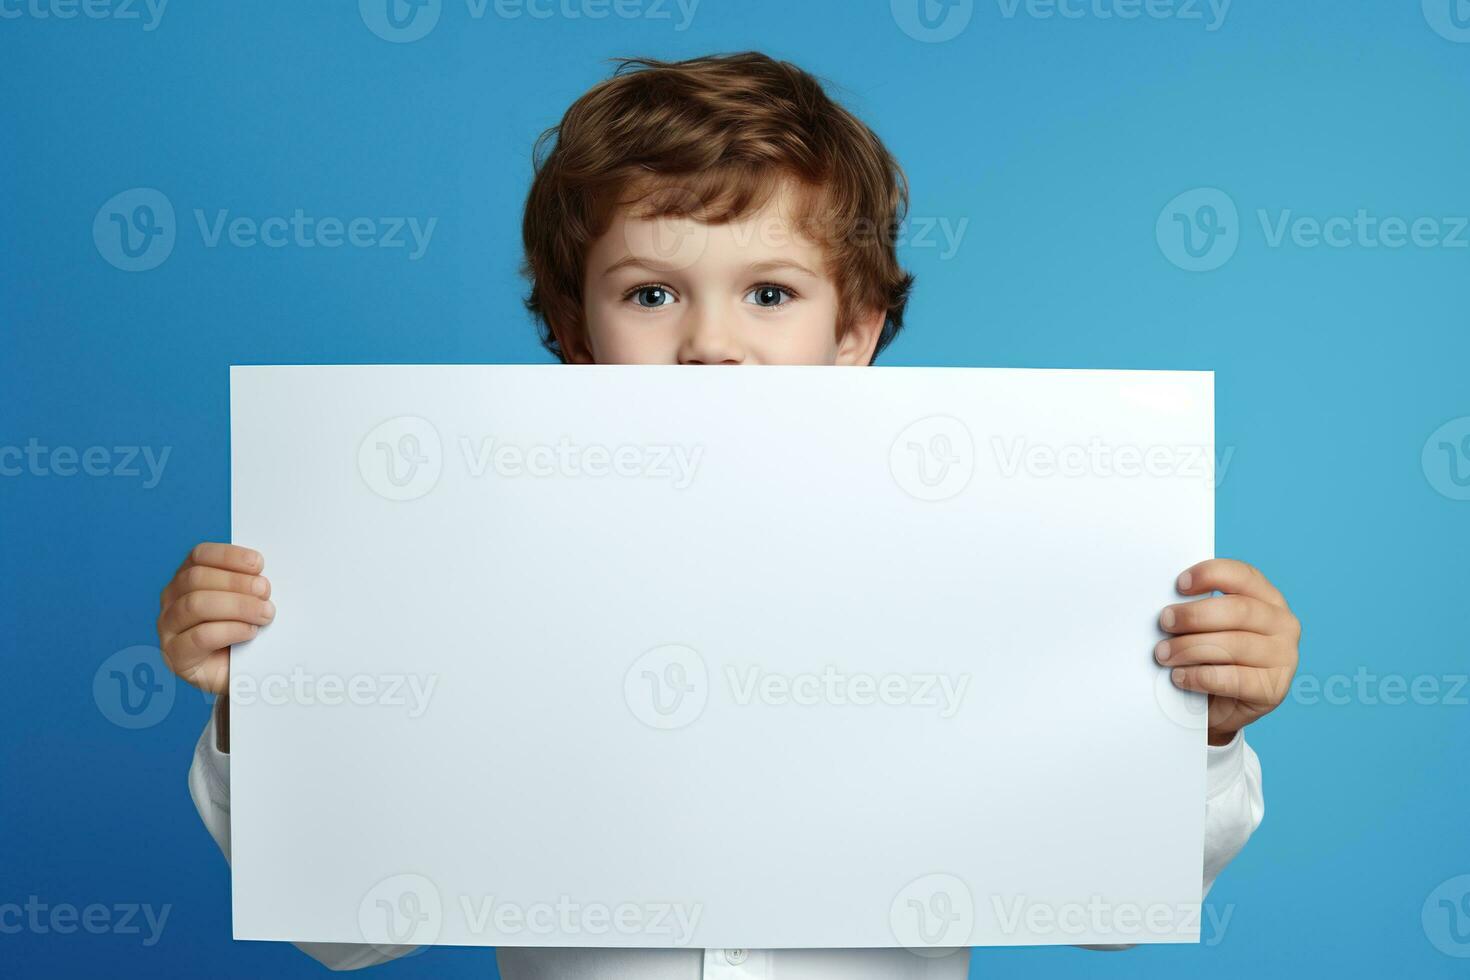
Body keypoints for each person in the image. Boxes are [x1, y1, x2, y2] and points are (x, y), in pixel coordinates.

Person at [158, 52, 1296, 978]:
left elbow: (1104, 908)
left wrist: (1198, 727)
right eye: (651, 293)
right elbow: (350, 929)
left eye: (770, 292)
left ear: (852, 333)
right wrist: (264, 709)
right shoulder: (455, 576)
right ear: (576, 335)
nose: (709, 342)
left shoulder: (981, 558)